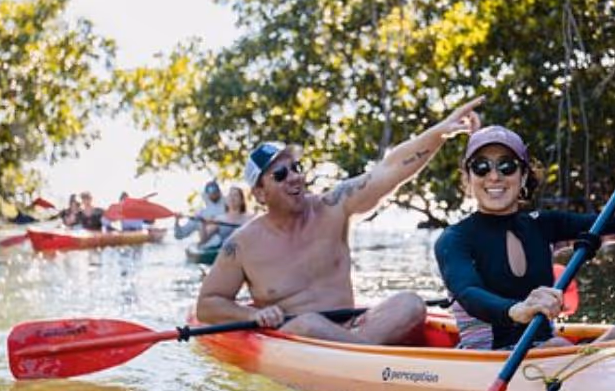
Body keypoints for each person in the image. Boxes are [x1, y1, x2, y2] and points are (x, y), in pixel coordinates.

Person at [195, 96, 485, 344]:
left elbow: (388, 170)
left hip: (353, 328)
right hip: (294, 337)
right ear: (259, 193)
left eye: (296, 167)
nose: (294, 176)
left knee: (411, 304)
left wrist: (440, 133)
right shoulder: (242, 245)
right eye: (280, 174)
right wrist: (252, 315)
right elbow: (208, 304)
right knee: (309, 323)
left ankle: (363, 354)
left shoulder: (333, 205)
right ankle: (371, 360)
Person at [435, 124, 615, 351]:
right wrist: (518, 310)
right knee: (555, 345)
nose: (494, 176)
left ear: (523, 176)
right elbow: (469, 293)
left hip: (550, 352)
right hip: (487, 362)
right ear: (467, 178)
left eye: (506, 166)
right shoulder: (454, 239)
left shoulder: (544, 225)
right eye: (481, 167)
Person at [175, 179, 226, 245]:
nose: (214, 194)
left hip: (225, 241)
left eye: (216, 191)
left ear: (219, 192)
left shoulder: (229, 207)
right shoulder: (200, 214)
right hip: (208, 242)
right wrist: (177, 221)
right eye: (211, 192)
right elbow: (179, 235)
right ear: (206, 194)